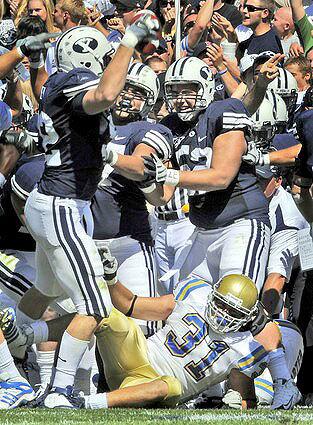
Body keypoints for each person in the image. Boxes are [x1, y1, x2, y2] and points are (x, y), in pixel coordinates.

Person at [18, 15, 159, 408]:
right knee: (94, 307)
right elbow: (105, 96)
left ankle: (13, 333)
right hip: (62, 205)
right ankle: (59, 390)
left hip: (57, 203)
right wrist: (131, 39)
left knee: (45, 293)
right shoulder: (71, 84)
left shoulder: (55, 85)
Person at [77, 272, 301, 410]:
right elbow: (130, 305)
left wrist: (242, 401)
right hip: (137, 353)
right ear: (212, 295)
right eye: (221, 304)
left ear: (249, 316)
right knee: (105, 314)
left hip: (150, 386)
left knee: (169, 386)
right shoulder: (196, 294)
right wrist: (112, 278)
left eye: (232, 310)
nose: (222, 313)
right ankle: (56, 373)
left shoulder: (245, 347)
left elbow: (245, 397)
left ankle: (91, 402)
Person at [142, 56, 270, 292]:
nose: (180, 99)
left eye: (187, 91)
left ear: (205, 87)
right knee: (185, 307)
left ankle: (283, 331)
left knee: (234, 304)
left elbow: (221, 177)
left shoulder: (223, 110)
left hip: (239, 224)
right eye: (174, 92)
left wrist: (168, 175)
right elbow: (161, 197)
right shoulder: (170, 125)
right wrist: (145, 180)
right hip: (202, 229)